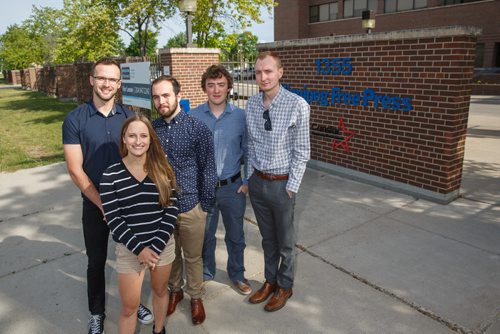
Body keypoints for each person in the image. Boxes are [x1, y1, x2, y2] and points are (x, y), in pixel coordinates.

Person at [62, 58, 153, 334]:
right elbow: (75, 170)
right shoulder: (75, 119)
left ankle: (133, 302)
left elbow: (141, 158)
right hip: (95, 204)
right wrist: (104, 205)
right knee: (97, 261)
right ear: (92, 80)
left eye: (112, 79)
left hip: (129, 204)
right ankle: (97, 313)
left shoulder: (129, 118)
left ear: (119, 84)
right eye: (102, 78)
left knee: (134, 257)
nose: (106, 84)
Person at [100, 115, 178, 334]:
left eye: (143, 135)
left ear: (151, 140)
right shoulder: (111, 175)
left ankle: (159, 329)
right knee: (128, 307)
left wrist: (155, 246)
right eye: (132, 135)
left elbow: (172, 209)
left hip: (161, 245)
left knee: (160, 291)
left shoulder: (162, 168)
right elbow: (114, 219)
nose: (138, 141)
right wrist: (140, 250)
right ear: (123, 139)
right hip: (129, 250)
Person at [245, 51, 310, 312]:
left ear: (280, 72)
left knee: (285, 242)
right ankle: (270, 281)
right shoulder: (250, 104)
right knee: (267, 240)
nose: (263, 76)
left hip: (282, 184)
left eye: (268, 71)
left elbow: (302, 150)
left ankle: (285, 285)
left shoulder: (297, 104)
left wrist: (292, 186)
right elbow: (250, 143)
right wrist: (248, 177)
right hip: (258, 183)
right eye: (258, 72)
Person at [151, 75, 216, 325]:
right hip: (162, 206)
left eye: (166, 95)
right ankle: (175, 291)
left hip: (191, 206)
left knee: (193, 256)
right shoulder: (152, 129)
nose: (161, 101)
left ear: (178, 95)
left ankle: (196, 296)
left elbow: (208, 169)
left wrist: (204, 206)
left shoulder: (197, 129)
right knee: (170, 256)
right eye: (156, 96)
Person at [190, 64, 251, 295]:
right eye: (211, 85)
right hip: (203, 189)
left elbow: (249, 150)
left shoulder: (240, 116)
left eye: (221, 85)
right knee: (205, 235)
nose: (216, 90)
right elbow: (188, 153)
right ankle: (207, 272)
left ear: (228, 88)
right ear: (205, 88)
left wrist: (247, 181)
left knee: (236, 236)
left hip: (233, 187)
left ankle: (237, 274)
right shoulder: (193, 116)